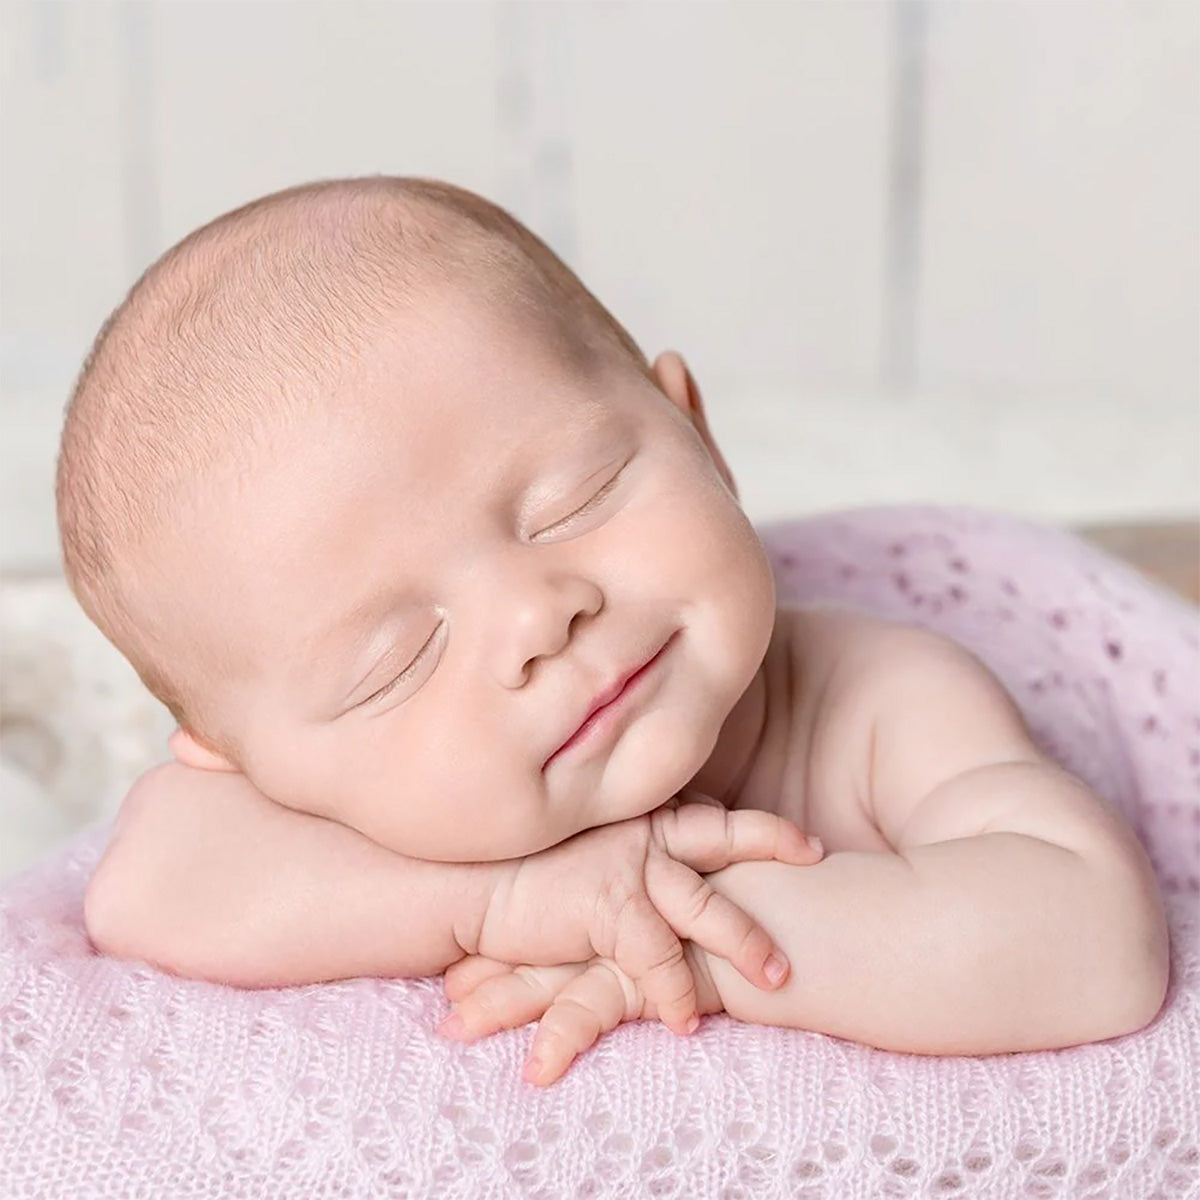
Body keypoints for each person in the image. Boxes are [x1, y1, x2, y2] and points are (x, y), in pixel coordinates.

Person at [58, 177, 1169, 1087]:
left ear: (694, 430)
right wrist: (498, 900)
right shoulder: (335, 820)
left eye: (574, 499)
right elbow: (145, 881)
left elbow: (1093, 940)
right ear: (239, 756)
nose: (540, 616)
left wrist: (682, 933)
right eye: (397, 659)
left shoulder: (871, 701)